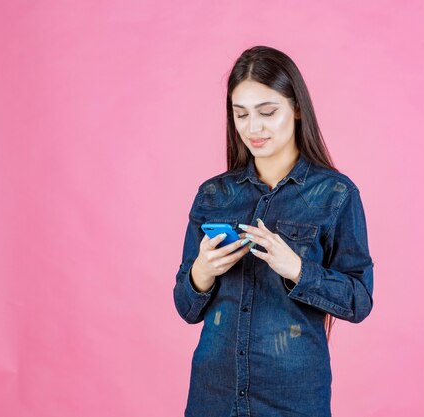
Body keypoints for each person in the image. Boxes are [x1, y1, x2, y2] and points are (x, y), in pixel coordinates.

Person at [173, 45, 374, 417]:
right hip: (213, 396)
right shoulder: (214, 195)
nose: (253, 128)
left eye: (267, 112)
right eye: (241, 114)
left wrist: (297, 270)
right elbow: (186, 308)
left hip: (293, 398)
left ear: (296, 108)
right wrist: (201, 272)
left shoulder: (335, 194)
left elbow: (359, 300)